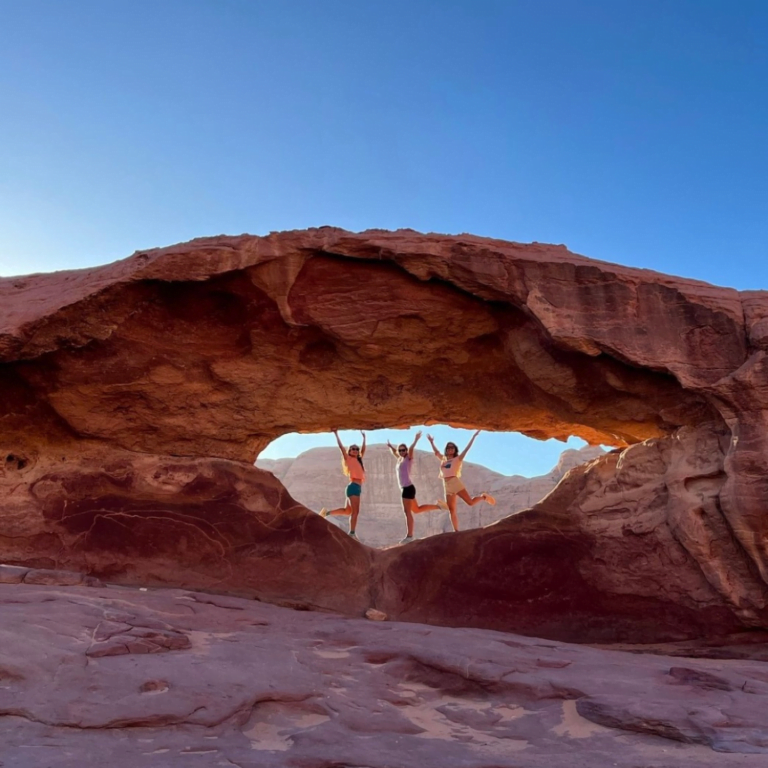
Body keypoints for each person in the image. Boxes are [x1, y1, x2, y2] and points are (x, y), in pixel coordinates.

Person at [427, 429, 495, 531]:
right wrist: (432, 442)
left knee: (470, 503)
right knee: (451, 509)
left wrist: (474, 436)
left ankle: (483, 497)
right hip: (446, 485)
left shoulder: (457, 459)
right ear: (446, 449)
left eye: (452, 447)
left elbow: (467, 449)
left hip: (455, 482)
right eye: (448, 447)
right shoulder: (444, 459)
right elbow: (436, 453)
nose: (450, 449)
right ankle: (456, 531)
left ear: (455, 450)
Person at [386, 431, 441, 544]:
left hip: (407, 488)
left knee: (407, 512)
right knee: (416, 509)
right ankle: (438, 506)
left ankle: (409, 536)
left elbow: (411, 449)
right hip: (408, 488)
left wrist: (415, 440)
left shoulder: (408, 459)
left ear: (406, 451)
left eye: (403, 450)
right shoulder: (400, 460)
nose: (402, 452)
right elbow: (395, 454)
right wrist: (391, 447)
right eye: (400, 450)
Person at [319, 430, 366, 538]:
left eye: (356, 449)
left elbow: (363, 450)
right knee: (355, 512)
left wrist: (364, 439)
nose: (355, 450)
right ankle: (352, 533)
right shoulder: (348, 459)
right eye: (353, 449)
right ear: (349, 451)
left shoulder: (359, 460)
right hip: (353, 487)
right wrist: (336, 434)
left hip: (355, 488)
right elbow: (341, 448)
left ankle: (326, 513)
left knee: (347, 511)